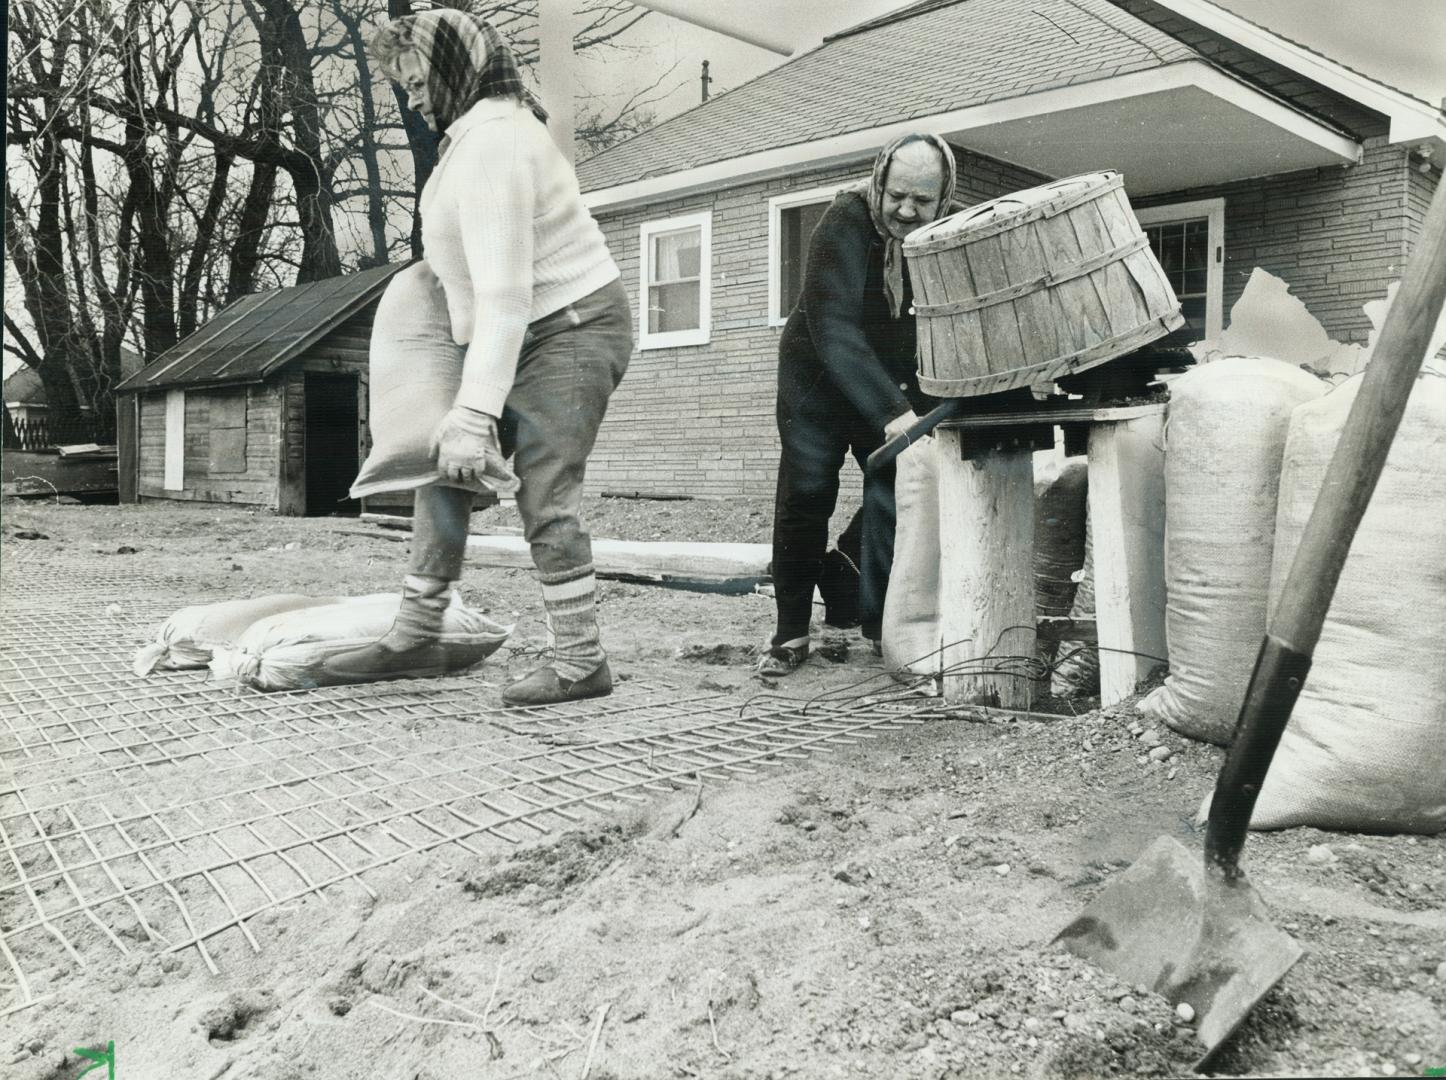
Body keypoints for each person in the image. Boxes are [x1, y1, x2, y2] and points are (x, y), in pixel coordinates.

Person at [325, 10, 631, 707]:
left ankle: (583, 662)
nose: (410, 96)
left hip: (572, 327)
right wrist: (453, 411)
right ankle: (415, 634)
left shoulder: (495, 143)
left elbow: (506, 296)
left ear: (453, 71)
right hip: (516, 328)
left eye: (415, 79)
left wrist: (473, 412)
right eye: (401, 83)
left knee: (545, 490)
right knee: (444, 462)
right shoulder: (468, 140)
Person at [760, 134, 957, 677]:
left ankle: (876, 618)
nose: (906, 210)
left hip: (884, 382)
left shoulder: (941, 233)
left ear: (943, 199)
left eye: (922, 200)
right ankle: (790, 635)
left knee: (900, 488)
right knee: (807, 496)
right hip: (817, 381)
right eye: (897, 195)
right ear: (879, 182)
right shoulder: (845, 220)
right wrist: (893, 412)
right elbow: (834, 324)